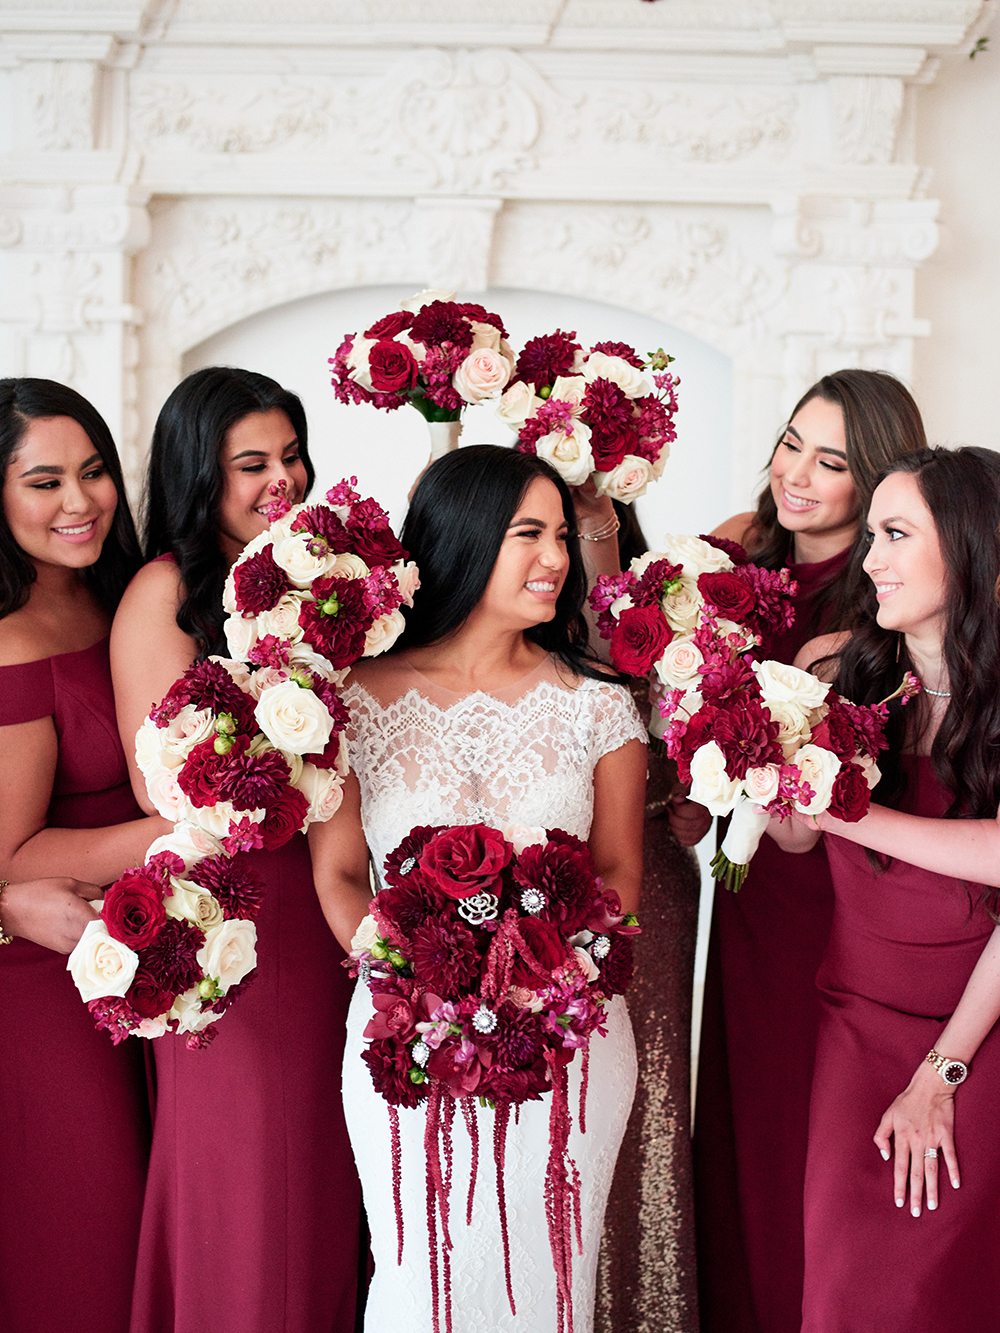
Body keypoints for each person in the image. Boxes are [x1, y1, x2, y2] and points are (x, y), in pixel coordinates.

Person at [312, 444, 646, 1332]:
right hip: (403, 1031)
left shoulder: (599, 701)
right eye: (527, 533)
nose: (556, 558)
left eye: (562, 536)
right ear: (460, 541)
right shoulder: (350, 698)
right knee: (416, 1275)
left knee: (552, 1276)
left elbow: (619, 877)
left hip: (567, 1038)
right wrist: (413, 979)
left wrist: (545, 981)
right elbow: (341, 873)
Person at [110, 366, 363, 1333]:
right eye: (250, 463)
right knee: (255, 1185)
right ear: (196, 473)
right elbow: (164, 785)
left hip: (329, 904)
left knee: (325, 1180)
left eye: (290, 455)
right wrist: (293, 694)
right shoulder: (166, 592)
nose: (281, 480)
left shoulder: (325, 579)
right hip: (230, 924)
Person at [693, 369, 927, 1333]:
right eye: (792, 442)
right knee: (739, 1116)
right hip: (745, 891)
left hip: (819, 893)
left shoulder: (876, 613)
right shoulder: (728, 553)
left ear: (873, 485)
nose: (797, 474)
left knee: (795, 1122)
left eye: (831, 462)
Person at [768, 446, 1000, 1332]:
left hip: (978, 1030)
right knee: (840, 1292)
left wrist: (944, 1072)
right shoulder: (836, 670)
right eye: (871, 535)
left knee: (935, 1295)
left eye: (896, 535)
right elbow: (794, 838)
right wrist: (756, 776)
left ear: (971, 549)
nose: (869, 560)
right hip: (854, 1024)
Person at [0, 377, 168, 1333]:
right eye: (44, 480)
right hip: (44, 980)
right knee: (83, 1244)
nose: (79, 501)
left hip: (144, 955)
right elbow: (14, 852)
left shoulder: (120, 597)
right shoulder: (11, 639)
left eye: (95, 471)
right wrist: (194, 823)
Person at [595, 501, 706, 1333]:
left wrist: (701, 796)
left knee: (647, 1110)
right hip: (527, 892)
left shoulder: (672, 598)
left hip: (652, 886)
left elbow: (696, 739)